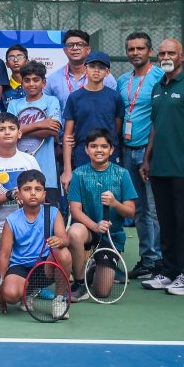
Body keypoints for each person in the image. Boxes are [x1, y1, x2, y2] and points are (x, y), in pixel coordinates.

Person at [140, 37, 184, 296]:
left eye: (171, 52)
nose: (166, 57)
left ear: (182, 56)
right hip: (159, 168)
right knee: (166, 222)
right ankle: (169, 271)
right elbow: (156, 125)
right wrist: (148, 159)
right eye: (162, 53)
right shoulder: (158, 87)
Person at [66, 129, 137, 302]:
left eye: (104, 146)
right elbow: (75, 210)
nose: (99, 150)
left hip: (111, 236)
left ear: (111, 150)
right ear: (86, 150)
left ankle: (93, 268)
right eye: (94, 146)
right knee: (74, 232)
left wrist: (115, 203)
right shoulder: (79, 174)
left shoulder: (122, 174)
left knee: (102, 292)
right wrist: (95, 226)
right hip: (89, 231)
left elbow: (131, 211)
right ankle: (81, 283)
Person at [117, 32, 165, 281]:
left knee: (154, 209)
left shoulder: (159, 77)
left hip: (150, 151)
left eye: (140, 48)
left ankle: (159, 260)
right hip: (126, 151)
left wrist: (149, 154)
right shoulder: (123, 80)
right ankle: (147, 259)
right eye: (131, 49)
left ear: (149, 51)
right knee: (137, 209)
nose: (135, 53)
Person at [0, 170, 71, 315]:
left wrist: (59, 240)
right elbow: (4, 255)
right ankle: (28, 292)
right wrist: (0, 287)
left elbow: (65, 239)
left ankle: (59, 299)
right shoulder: (11, 220)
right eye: (27, 189)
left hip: (45, 266)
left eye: (37, 189)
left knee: (64, 253)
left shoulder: (53, 212)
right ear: (18, 194)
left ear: (44, 194)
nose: (32, 193)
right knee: (10, 295)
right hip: (21, 267)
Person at [0, 113, 41, 259]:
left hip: (29, 226)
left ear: (19, 133)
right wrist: (10, 195)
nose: (7, 132)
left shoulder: (29, 161)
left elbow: (41, 197)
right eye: (2, 129)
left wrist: (26, 198)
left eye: (11, 128)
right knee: (6, 272)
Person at [61, 50, 124, 191]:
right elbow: (68, 135)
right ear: (85, 68)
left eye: (102, 67)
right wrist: (67, 170)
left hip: (109, 157)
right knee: (83, 202)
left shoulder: (115, 97)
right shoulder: (75, 98)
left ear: (107, 72)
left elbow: (117, 129)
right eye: (92, 66)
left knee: (109, 201)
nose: (97, 70)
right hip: (82, 157)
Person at [7, 61, 62, 205]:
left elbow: (51, 130)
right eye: (27, 80)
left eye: (36, 80)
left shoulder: (51, 101)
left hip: (47, 171)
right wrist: (41, 124)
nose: (31, 84)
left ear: (43, 83)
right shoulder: (14, 104)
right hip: (19, 168)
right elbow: (9, 133)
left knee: (48, 215)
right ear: (22, 83)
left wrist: (20, 130)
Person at [44, 29, 117, 112]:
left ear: (88, 50)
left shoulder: (105, 77)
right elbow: (45, 107)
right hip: (65, 124)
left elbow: (114, 105)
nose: (75, 48)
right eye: (70, 45)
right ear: (65, 50)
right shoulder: (53, 79)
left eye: (79, 45)